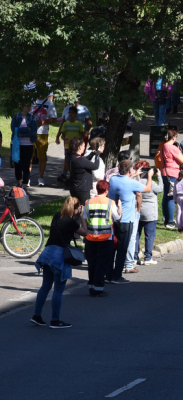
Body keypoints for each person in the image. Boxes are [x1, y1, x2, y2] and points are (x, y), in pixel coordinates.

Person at [31, 197, 88, 328]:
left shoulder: (57, 216)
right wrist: (83, 218)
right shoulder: (71, 222)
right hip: (59, 255)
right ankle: (55, 320)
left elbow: (66, 225)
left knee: (45, 286)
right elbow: (84, 233)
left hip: (47, 252)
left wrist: (76, 216)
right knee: (58, 289)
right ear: (75, 208)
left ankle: (37, 316)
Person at [108, 160, 154, 284]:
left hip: (112, 218)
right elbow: (148, 188)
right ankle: (117, 276)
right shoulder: (132, 183)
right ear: (129, 170)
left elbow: (124, 181)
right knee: (122, 249)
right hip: (126, 220)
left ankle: (109, 274)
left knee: (112, 248)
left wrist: (133, 175)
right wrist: (149, 175)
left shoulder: (113, 179)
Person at [83, 180, 121, 297]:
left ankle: (91, 286)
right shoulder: (111, 203)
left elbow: (85, 218)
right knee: (101, 263)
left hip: (91, 236)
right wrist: (120, 207)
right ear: (106, 190)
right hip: (106, 237)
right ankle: (98, 289)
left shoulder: (88, 202)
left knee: (92, 263)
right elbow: (118, 217)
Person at [134, 161, 163, 265]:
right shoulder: (150, 182)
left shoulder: (135, 181)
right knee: (149, 236)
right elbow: (160, 189)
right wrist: (159, 176)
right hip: (150, 213)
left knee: (136, 235)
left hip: (138, 211)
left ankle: (134, 256)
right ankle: (148, 257)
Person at [160, 129, 183, 228]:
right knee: (171, 197)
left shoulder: (163, 146)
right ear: (173, 137)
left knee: (166, 196)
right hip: (172, 174)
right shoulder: (173, 148)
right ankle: (171, 221)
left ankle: (165, 217)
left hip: (164, 173)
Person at [31, 94, 57, 186]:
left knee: (42, 157)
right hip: (30, 133)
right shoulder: (31, 100)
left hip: (43, 133)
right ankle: (27, 178)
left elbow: (54, 119)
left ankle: (40, 178)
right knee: (29, 156)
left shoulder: (50, 104)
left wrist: (43, 122)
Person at [10, 102, 38, 188]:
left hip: (28, 144)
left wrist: (21, 134)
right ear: (22, 107)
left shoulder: (32, 117)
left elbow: (33, 131)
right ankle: (19, 183)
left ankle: (25, 184)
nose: (29, 107)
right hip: (16, 144)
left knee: (26, 165)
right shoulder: (16, 116)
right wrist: (26, 129)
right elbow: (14, 129)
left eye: (30, 106)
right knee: (17, 164)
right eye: (27, 105)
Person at [55, 106, 86, 183]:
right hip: (67, 146)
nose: (70, 114)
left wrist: (80, 141)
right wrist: (63, 138)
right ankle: (65, 175)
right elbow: (63, 134)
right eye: (69, 113)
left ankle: (73, 176)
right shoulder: (65, 124)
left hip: (76, 146)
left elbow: (82, 134)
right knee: (68, 160)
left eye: (72, 113)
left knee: (74, 161)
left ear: (76, 114)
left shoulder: (79, 124)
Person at [68, 136, 102, 205]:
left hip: (74, 187)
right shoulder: (80, 160)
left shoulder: (72, 157)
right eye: (83, 146)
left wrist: (92, 153)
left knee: (76, 208)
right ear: (80, 147)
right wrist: (97, 155)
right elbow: (95, 166)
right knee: (84, 208)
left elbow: (84, 161)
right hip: (82, 189)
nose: (84, 147)